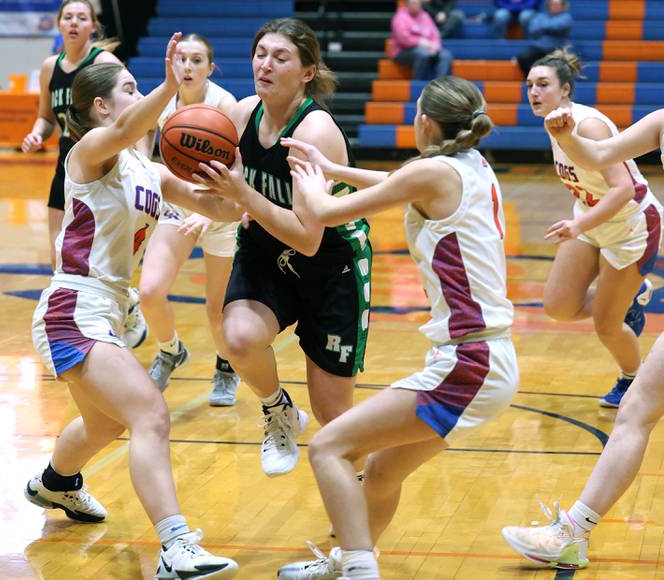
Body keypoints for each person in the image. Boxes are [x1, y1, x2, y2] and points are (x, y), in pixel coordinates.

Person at [271, 75, 518, 579]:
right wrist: (334, 167)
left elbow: (324, 212)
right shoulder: (469, 167)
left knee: (328, 446)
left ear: (424, 121)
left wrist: (306, 179)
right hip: (482, 359)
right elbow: (395, 185)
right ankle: (352, 561)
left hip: (470, 362)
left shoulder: (432, 172)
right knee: (382, 469)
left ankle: (360, 570)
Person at [24, 33, 240, 579]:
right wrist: (171, 85)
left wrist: (248, 186)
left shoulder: (150, 169)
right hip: (74, 304)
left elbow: (215, 204)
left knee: (104, 425)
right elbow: (124, 130)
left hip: (107, 310)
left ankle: (55, 483)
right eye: (132, 88)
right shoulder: (89, 152)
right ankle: (175, 548)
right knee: (150, 413)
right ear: (101, 107)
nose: (145, 95)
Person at [195, 18, 372, 478]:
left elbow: (308, 238)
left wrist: (244, 197)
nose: (265, 64)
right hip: (266, 253)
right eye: (261, 54)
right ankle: (278, 411)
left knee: (335, 421)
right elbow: (225, 205)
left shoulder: (314, 132)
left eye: (280, 57)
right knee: (237, 337)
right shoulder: (241, 115)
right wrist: (159, 187)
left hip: (330, 266)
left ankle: (357, 530)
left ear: (307, 72)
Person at [501, 106, 664, 571]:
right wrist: (568, 136)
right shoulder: (659, 121)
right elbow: (600, 152)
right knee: (634, 411)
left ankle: (572, 533)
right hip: (606, 231)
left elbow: (622, 185)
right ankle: (573, 532)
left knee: (636, 412)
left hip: (628, 231)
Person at [526, 49, 662, 407]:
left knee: (606, 324)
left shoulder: (588, 125)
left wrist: (578, 224)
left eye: (543, 85)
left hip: (631, 224)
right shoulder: (555, 125)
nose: (534, 92)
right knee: (558, 306)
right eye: (530, 86)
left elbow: (623, 189)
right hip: (591, 216)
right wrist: (582, 222)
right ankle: (632, 294)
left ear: (566, 90)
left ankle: (632, 378)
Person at [21, 0, 148, 350]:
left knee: (107, 253)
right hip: (68, 160)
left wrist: (143, 163)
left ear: (93, 26)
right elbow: (46, 117)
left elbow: (133, 111)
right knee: (57, 256)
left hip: (107, 161)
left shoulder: (105, 63)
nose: (74, 23)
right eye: (68, 17)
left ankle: (124, 309)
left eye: (82, 17)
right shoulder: (50, 67)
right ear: (59, 24)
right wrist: (36, 133)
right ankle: (84, 336)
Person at [138, 33, 240, 405]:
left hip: (221, 209)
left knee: (217, 309)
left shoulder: (224, 104)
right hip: (180, 204)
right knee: (150, 291)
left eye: (197, 60)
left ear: (210, 68)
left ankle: (225, 369)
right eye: (182, 59)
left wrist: (209, 216)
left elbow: (239, 177)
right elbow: (142, 147)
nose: (187, 67)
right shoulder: (162, 99)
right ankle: (170, 350)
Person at [390, 0, 453, 81]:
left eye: (417, 3)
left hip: (427, 48)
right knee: (422, 54)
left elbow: (435, 33)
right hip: (403, 51)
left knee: (446, 55)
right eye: (412, 3)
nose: (415, 5)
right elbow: (403, 38)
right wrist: (420, 42)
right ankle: (418, 83)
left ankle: (439, 86)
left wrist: (435, 45)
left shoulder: (425, 16)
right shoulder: (400, 17)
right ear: (407, 4)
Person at [515, 0, 572, 75]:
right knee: (523, 58)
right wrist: (550, 27)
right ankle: (534, 79)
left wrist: (543, 27)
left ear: (563, 6)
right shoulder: (540, 16)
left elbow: (559, 26)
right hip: (539, 48)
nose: (555, 6)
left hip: (556, 49)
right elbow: (532, 29)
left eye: (558, 4)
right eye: (553, 4)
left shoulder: (566, 17)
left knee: (561, 63)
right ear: (548, 5)